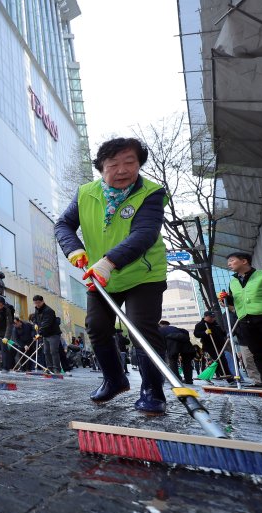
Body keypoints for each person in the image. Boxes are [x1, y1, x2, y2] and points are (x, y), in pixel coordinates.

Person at [55, 137, 169, 414]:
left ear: (139, 164)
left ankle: (153, 390)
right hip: (100, 275)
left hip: (143, 273)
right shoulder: (85, 193)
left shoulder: (151, 193)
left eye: (129, 162)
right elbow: (63, 225)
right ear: (101, 168)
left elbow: (145, 233)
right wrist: (74, 250)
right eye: (112, 164)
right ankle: (114, 379)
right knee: (96, 326)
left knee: (141, 329)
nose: (122, 170)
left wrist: (109, 261)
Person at [220, 251, 262, 389]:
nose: (229, 264)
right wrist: (226, 300)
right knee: (259, 354)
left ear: (244, 261)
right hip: (245, 321)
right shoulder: (233, 282)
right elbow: (235, 300)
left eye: (232, 260)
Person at [194, 311, 233, 383]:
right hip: (210, 346)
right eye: (210, 317)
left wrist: (226, 334)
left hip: (219, 346)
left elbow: (221, 333)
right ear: (205, 316)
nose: (212, 318)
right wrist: (204, 333)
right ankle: (228, 378)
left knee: (221, 361)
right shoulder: (200, 325)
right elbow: (196, 334)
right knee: (220, 361)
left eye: (213, 317)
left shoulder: (215, 324)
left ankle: (220, 375)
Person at [30, 295, 62, 373]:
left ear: (42, 301)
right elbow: (36, 319)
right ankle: (49, 368)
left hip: (53, 334)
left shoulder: (49, 311)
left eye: (38, 303)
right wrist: (35, 324)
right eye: (35, 303)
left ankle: (57, 369)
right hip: (45, 335)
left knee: (53, 351)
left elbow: (46, 323)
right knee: (46, 352)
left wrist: (40, 333)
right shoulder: (37, 309)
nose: (37, 305)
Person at [158, 320, 195, 384]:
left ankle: (176, 379)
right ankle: (188, 380)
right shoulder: (175, 328)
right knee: (187, 362)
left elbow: (161, 343)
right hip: (184, 341)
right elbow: (185, 331)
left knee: (173, 361)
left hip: (172, 344)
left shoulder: (160, 330)